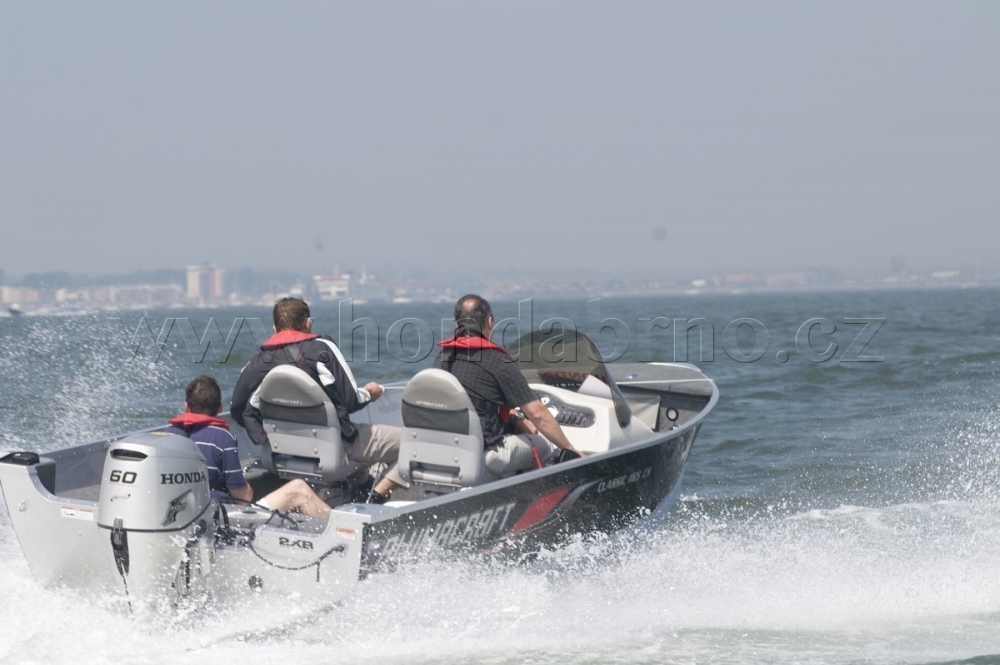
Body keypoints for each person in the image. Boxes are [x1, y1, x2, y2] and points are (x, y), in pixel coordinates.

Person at [230, 297, 404, 503]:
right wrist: (369, 393)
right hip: (336, 452)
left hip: (282, 456)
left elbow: (237, 409)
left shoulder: (256, 363)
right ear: (307, 323)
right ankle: (376, 498)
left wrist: (268, 437)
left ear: (275, 328)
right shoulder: (322, 348)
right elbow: (351, 400)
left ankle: (359, 489)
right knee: (412, 442)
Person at [434, 294, 583, 476]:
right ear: (490, 322)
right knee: (544, 446)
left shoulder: (443, 358)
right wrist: (571, 450)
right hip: (485, 453)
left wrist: (515, 418)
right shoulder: (497, 360)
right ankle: (534, 493)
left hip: (448, 448)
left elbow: (473, 401)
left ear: (457, 324)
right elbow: (538, 414)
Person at [166, 375, 333, 518]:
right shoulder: (222, 438)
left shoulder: (169, 436)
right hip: (223, 518)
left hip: (183, 516)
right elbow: (242, 498)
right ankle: (345, 532)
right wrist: (249, 491)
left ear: (186, 407)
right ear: (219, 408)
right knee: (299, 489)